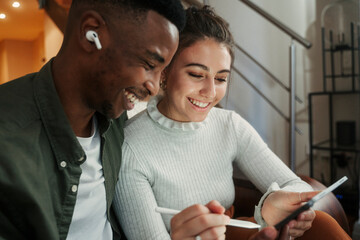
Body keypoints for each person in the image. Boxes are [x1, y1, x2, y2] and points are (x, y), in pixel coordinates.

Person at [114, 5, 352, 240]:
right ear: (164, 72)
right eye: (196, 75)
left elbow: (296, 185)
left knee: (321, 224)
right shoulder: (132, 148)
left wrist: (271, 203)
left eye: (221, 78)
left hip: (236, 233)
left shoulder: (229, 125)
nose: (209, 91)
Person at [0, 0, 185, 239]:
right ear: (91, 32)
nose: (153, 87)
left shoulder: (114, 118)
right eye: (149, 64)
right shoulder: (8, 139)